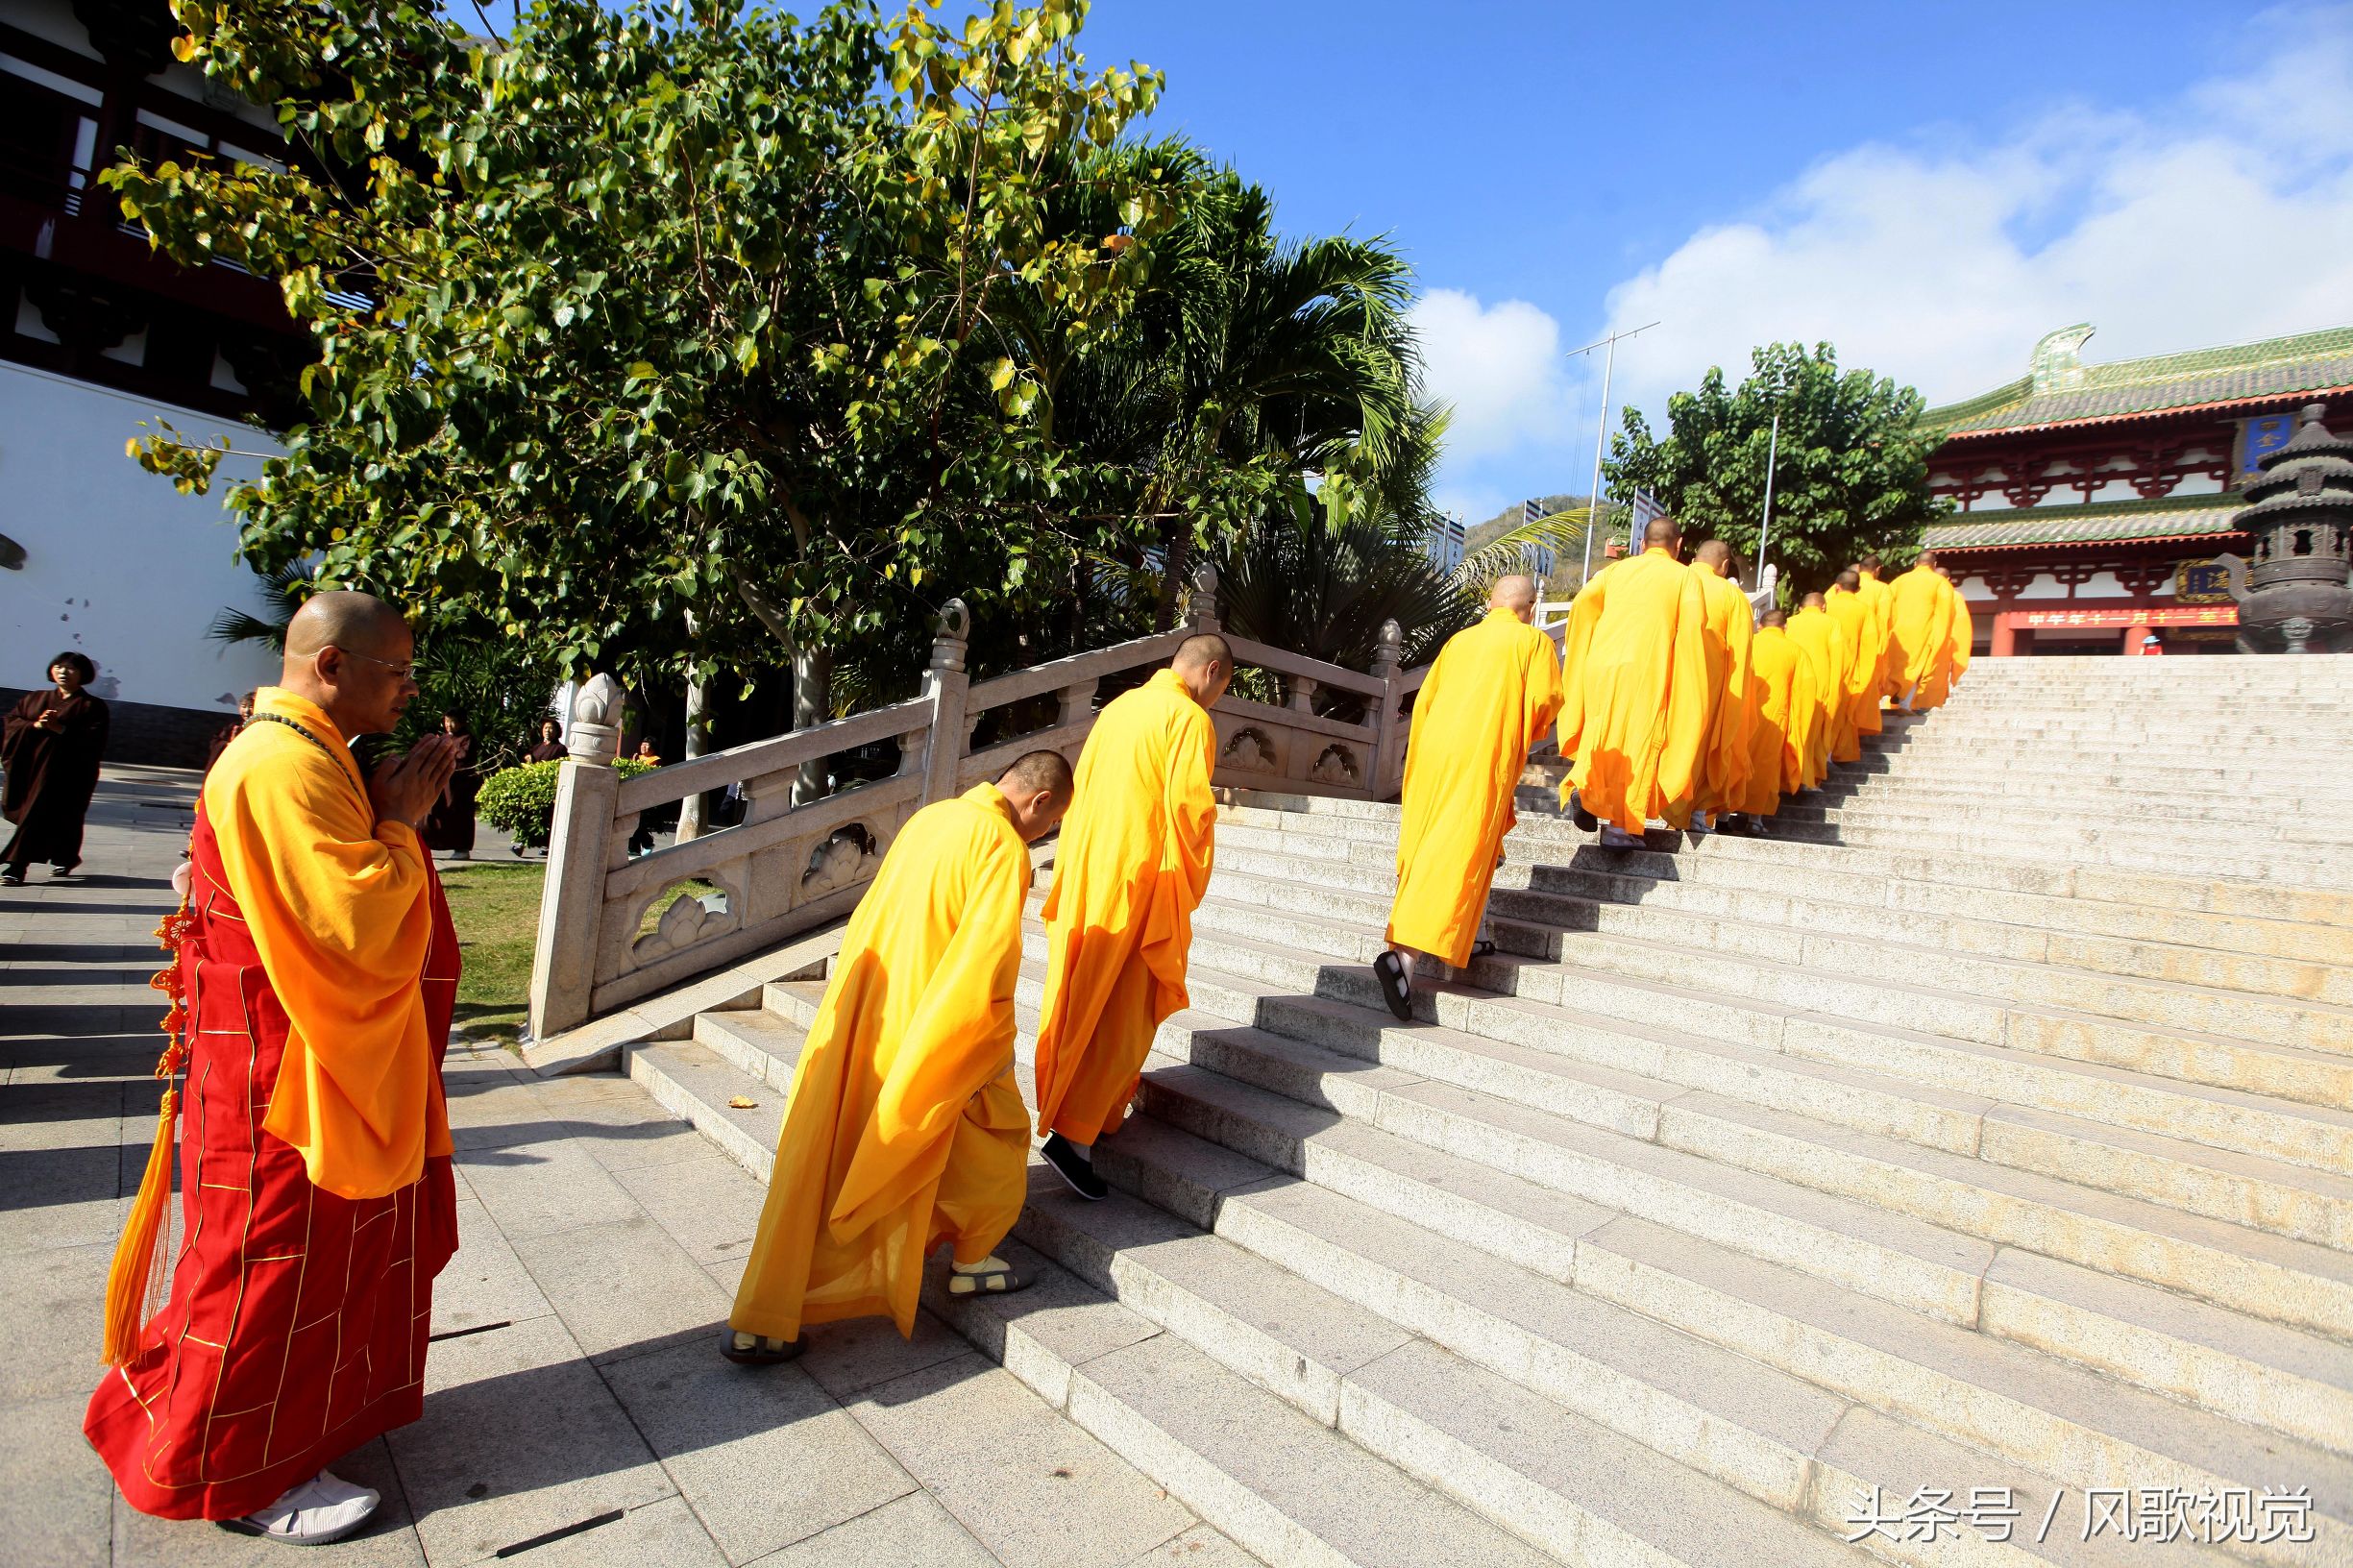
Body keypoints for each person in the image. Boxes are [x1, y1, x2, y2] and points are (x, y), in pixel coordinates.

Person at [85, 592, 461, 1546]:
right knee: (268, 1269)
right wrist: (402, 825)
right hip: (277, 1076)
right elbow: (360, 928)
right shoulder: (282, 766)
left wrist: (383, 813)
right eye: (397, 671)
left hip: (284, 1060)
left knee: (297, 1266)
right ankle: (232, 1474)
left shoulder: (307, 754)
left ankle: (259, 1430)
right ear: (329, 666)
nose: (409, 691)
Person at [725, 751, 1074, 1362]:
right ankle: (971, 1258)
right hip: (926, 1028)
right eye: (1051, 822)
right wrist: (985, 1046)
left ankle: (765, 1316)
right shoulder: (1001, 846)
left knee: (822, 1163)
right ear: (1039, 801)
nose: (1046, 834)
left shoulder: (931, 818)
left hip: (867, 1014)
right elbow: (986, 964)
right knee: (998, 1135)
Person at [1030, 634, 1229, 1200]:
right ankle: (1074, 1138)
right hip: (1140, 881)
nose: (1215, 698)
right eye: (1220, 687)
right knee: (1125, 1011)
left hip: (1091, 876)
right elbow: (1190, 814)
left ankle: (1090, 1110)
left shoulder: (1117, 709)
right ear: (1209, 670)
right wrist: (1187, 887)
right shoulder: (1187, 718)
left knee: (1081, 997)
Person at [1373, 576, 1563, 1020]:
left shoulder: (1459, 641)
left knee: (1458, 843)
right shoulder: (1531, 642)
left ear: (1491, 604)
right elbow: (1545, 702)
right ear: (1530, 608)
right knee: (1456, 849)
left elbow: (1425, 702)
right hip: (1482, 753)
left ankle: (1472, 931)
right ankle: (1405, 958)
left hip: (1435, 754)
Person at [1556, 516, 1711, 847]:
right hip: (1647, 668)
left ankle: (1586, 788)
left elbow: (1583, 604)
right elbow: (1693, 634)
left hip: (1603, 665)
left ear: (1642, 544)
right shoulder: (1686, 577)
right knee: (1637, 740)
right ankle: (1619, 827)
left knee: (1603, 733)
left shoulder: (1614, 572)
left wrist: (1591, 647)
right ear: (1679, 546)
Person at [2, 651, 110, 885]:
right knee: (49, 817)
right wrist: (35, 725)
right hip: (33, 769)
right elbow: (12, 722)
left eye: (71, 669)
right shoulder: (35, 698)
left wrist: (60, 729)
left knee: (56, 816)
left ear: (83, 675)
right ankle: (65, 857)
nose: (63, 672)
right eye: (59, 667)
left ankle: (16, 866)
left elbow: (95, 740)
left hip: (69, 773)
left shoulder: (93, 706)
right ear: (52, 670)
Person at [1688, 541, 1752, 834]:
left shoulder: (1677, 580)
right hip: (1708, 684)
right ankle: (1696, 814)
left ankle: (1630, 819)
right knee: (1703, 746)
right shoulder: (1730, 594)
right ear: (1725, 566)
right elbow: (1741, 654)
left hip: (1664, 680)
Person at [1732, 608, 1816, 826]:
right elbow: (1805, 691)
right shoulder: (1796, 651)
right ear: (1785, 628)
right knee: (1765, 766)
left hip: (1739, 712)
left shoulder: (1748, 644)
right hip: (1774, 717)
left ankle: (1723, 815)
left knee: (1735, 760)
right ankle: (1755, 820)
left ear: (1759, 626)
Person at [1783, 592, 1851, 789]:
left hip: (1792, 683)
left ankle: (1787, 777)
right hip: (1819, 685)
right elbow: (1840, 659)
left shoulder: (1789, 622)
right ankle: (1807, 779)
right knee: (1814, 734)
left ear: (1801, 608)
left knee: (1790, 730)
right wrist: (1836, 688)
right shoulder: (1831, 624)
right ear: (1823, 607)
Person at [1822, 568, 1881, 764]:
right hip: (1848, 668)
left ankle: (1818, 758)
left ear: (1837, 587)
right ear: (1858, 589)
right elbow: (1869, 646)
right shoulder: (1864, 610)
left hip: (1823, 664)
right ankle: (1830, 756)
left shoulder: (1826, 605)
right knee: (1841, 713)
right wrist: (1864, 676)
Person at [1885, 551, 1954, 712]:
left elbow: (1886, 605)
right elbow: (1945, 613)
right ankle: (1906, 704)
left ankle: (1888, 701)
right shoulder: (1941, 583)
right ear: (1934, 565)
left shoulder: (1899, 581)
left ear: (1915, 564)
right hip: (1923, 631)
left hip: (1897, 632)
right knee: (1917, 667)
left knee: (1895, 668)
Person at [421, 712, 478, 859]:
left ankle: (462, 848)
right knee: (433, 812)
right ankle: (429, 844)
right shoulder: (443, 738)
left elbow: (463, 757)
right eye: (446, 721)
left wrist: (445, 755)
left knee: (459, 814)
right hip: (441, 782)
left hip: (459, 785)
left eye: (452, 721)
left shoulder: (467, 738)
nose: (448, 725)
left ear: (461, 722)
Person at [206, 690, 257, 773]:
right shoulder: (233, 726)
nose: (247, 710)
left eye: (251, 707)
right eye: (244, 706)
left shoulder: (259, 728)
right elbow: (215, 743)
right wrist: (228, 744)